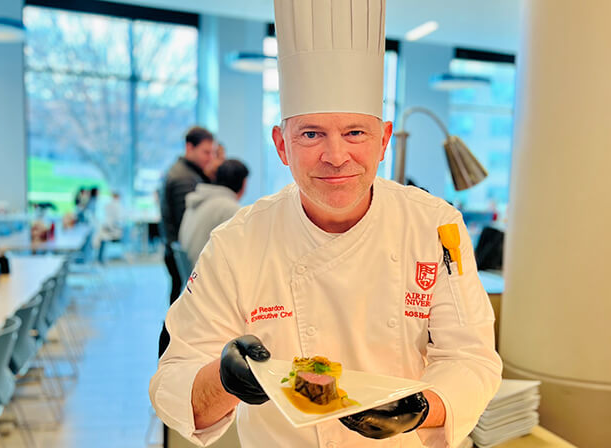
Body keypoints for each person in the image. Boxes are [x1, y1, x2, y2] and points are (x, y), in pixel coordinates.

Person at [149, 1, 502, 447]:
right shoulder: (238, 242)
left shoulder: (433, 226)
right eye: (311, 134)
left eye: (355, 133)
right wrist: (224, 381)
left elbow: (471, 358)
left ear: (384, 141)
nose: (336, 156)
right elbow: (171, 383)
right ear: (281, 144)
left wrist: (422, 408)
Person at [159, 126, 215, 307]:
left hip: (173, 249)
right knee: (180, 306)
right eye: (205, 152)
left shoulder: (183, 172)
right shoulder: (184, 178)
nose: (210, 158)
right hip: (180, 250)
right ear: (189, 147)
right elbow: (187, 221)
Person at [179, 159, 249, 265]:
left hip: (193, 273)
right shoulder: (230, 209)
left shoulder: (200, 199)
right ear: (243, 184)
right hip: (207, 275)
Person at [95, 191, 125, 264]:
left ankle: (100, 258)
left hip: (112, 230)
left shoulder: (110, 205)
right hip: (110, 229)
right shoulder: (118, 206)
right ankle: (100, 258)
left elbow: (118, 221)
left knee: (101, 236)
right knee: (102, 237)